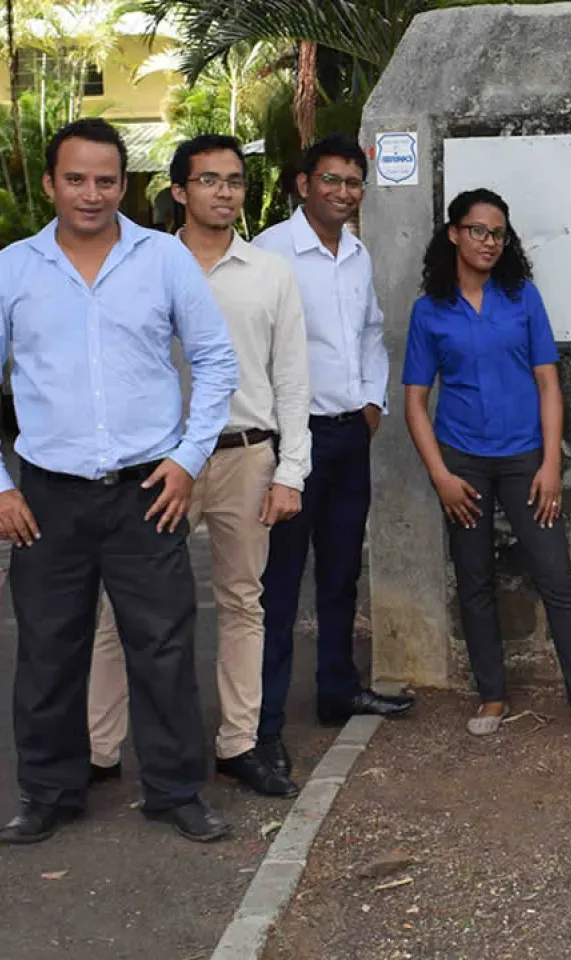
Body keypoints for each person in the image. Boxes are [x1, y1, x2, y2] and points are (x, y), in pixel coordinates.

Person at [0, 119, 240, 844]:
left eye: (106, 179)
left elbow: (216, 362)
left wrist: (187, 459)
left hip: (148, 491)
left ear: (123, 185)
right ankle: (48, 791)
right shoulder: (13, 268)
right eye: (75, 178)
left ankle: (175, 791)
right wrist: (1, 489)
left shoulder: (163, 259)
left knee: (164, 646)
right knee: (47, 649)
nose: (91, 193)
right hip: (46, 496)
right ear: (50, 184)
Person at [85, 134, 309, 799]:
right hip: (155, 463)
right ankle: (98, 749)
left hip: (245, 455)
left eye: (235, 181)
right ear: (179, 191)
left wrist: (290, 470)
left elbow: (292, 377)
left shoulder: (269, 271)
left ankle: (239, 743)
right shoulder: (141, 267)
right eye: (209, 180)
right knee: (118, 608)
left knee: (244, 600)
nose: (224, 192)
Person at [401, 189, 571, 741]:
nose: (489, 242)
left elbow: (549, 382)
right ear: (454, 234)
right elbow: (414, 402)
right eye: (479, 230)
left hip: (526, 459)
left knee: (556, 578)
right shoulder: (429, 310)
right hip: (462, 464)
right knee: (476, 579)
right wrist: (440, 476)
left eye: (499, 233)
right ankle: (492, 696)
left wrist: (551, 464)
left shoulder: (522, 297)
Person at [253, 134, 413, 779]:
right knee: (280, 586)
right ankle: (260, 722)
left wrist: (373, 402)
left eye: (353, 183)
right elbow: (255, 351)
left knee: (343, 570)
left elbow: (372, 334)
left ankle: (337, 690)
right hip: (295, 439)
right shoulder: (269, 253)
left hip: (351, 435)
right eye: (332, 181)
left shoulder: (356, 254)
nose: (343, 193)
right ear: (303, 184)